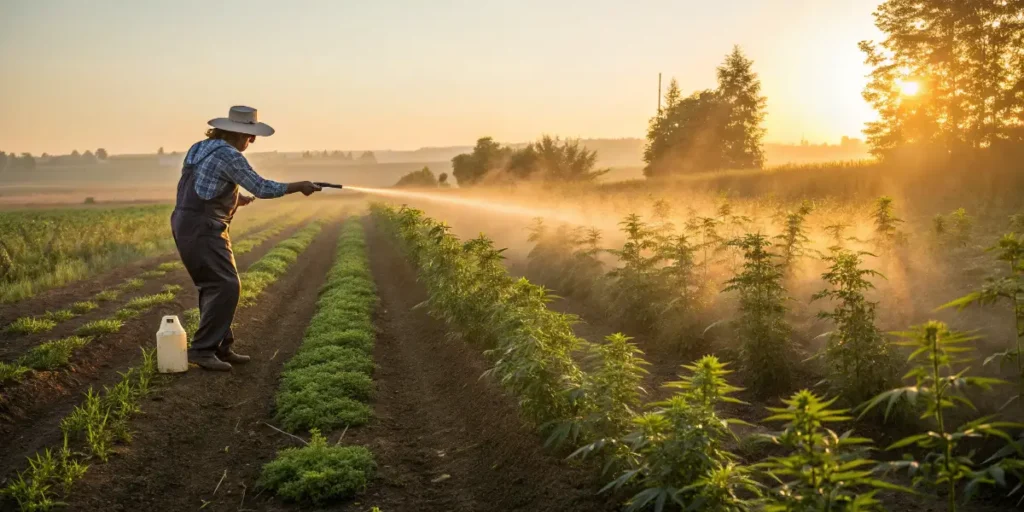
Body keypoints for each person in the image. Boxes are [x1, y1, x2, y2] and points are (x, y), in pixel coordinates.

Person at [171, 106, 321, 371]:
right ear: (238, 134)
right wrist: (299, 186)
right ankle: (202, 350)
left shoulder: (200, 148)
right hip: (203, 227)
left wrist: (235, 198)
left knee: (213, 285)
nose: (252, 141)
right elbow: (262, 187)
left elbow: (203, 185)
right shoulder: (229, 155)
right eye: (250, 137)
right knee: (226, 286)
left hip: (188, 222)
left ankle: (220, 347)